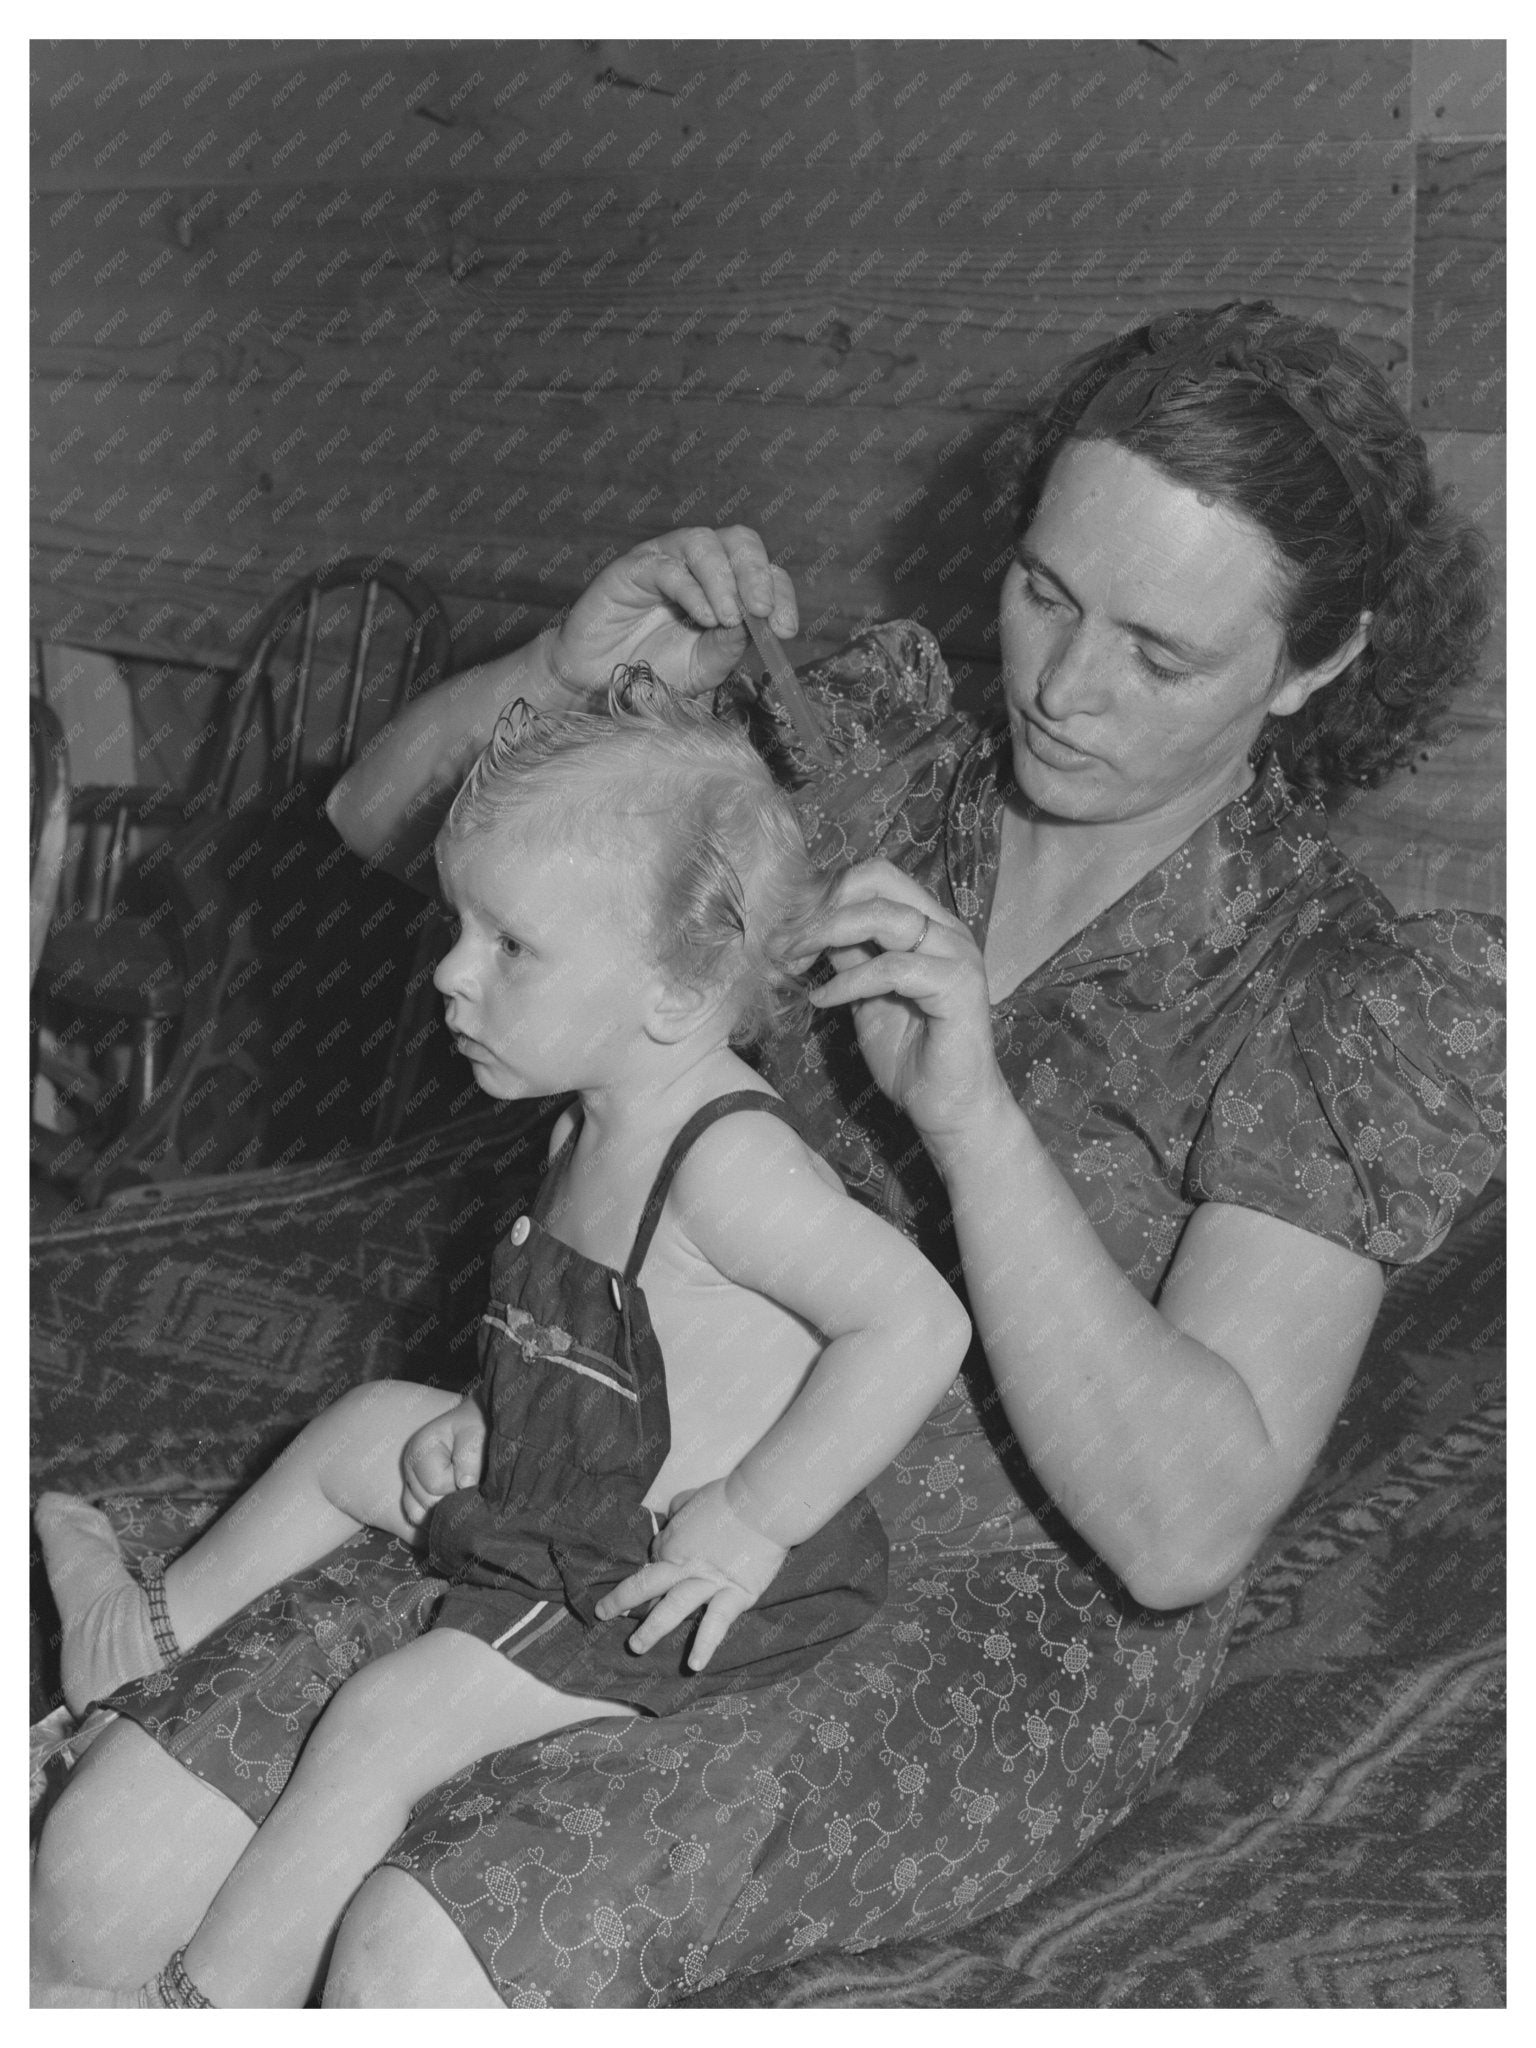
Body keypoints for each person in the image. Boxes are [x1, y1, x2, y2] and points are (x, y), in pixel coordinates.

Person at [32, 301, 1504, 2008]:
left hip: (968, 1600)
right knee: (93, 1880)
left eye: (1162, 657)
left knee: (412, 1959)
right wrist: (556, 679)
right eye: (1044, 592)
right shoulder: (865, 739)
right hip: (615, 1473)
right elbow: (373, 827)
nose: (1067, 689)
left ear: (1318, 666)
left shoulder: (1338, 997)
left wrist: (972, 1121)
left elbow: (1183, 1530)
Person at [32, 675, 970, 2008]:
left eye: (509, 947)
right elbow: (597, 1345)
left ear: (681, 984)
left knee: (384, 1722)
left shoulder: (730, 1166)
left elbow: (919, 1320)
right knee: (367, 1428)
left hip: (643, 1576)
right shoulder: (587, 1117)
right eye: (461, 927)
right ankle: (155, 1628)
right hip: (559, 1491)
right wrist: (498, 1413)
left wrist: (756, 1517)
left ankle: (213, 2002)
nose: (449, 974)